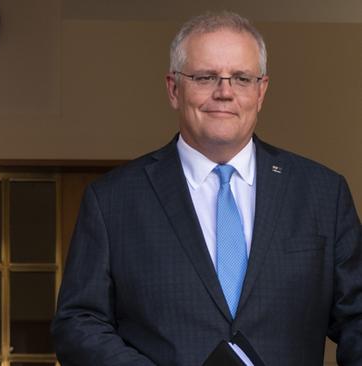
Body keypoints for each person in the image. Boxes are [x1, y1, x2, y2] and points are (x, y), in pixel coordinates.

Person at [51, 11, 362, 366]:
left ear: (261, 91)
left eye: (242, 78)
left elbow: (357, 318)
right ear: (173, 88)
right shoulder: (112, 200)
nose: (225, 93)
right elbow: (78, 324)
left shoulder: (323, 193)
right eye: (205, 77)